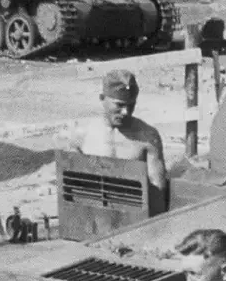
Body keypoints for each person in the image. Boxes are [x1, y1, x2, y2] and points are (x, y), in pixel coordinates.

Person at [66, 69, 169, 207]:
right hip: (94, 212)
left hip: (134, 211)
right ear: (102, 98)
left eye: (131, 105)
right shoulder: (82, 133)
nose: (125, 112)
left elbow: (158, 189)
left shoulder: (147, 136)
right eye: (119, 105)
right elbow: (72, 184)